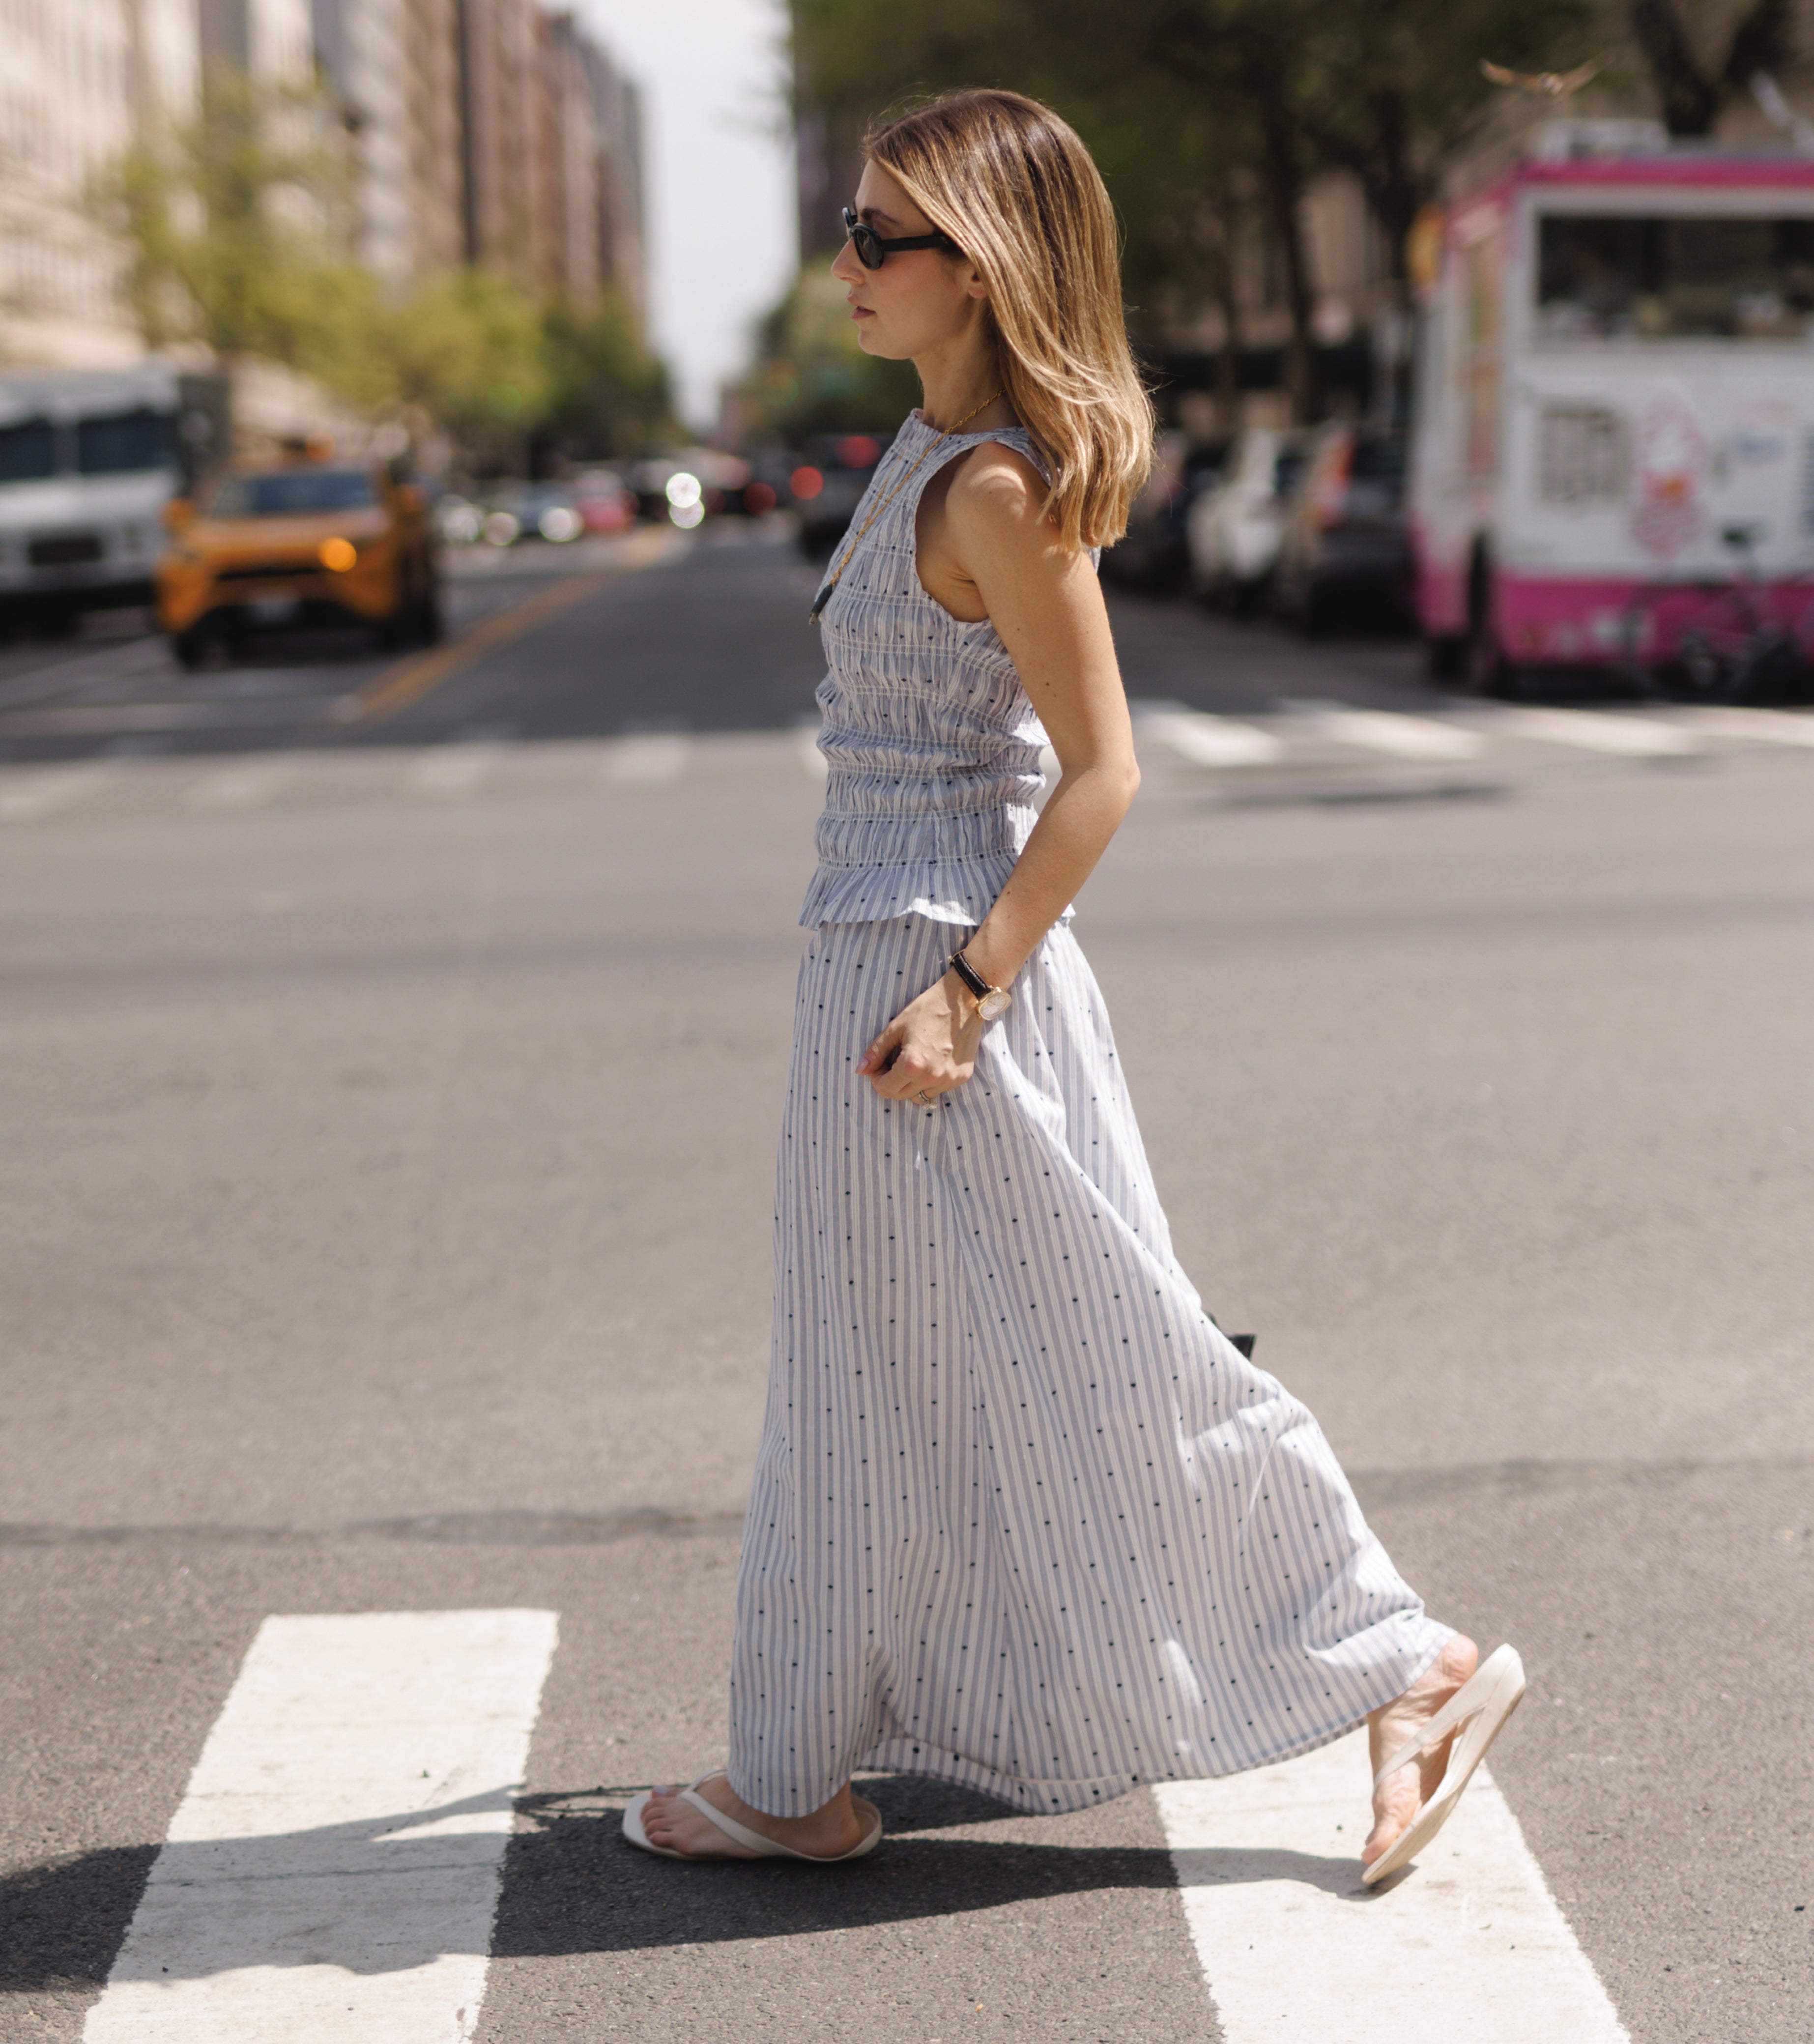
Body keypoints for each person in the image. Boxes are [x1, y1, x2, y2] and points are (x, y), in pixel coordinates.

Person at [627, 88, 1522, 1883]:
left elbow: (1102, 768)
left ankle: (1396, 1663)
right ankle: (813, 1754)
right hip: (882, 948)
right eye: (856, 227)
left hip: (935, 973)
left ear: (981, 266)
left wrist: (967, 986)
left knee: (1073, 1357)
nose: (849, 263)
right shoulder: (923, 450)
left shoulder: (997, 487)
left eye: (884, 237)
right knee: (934, 1365)